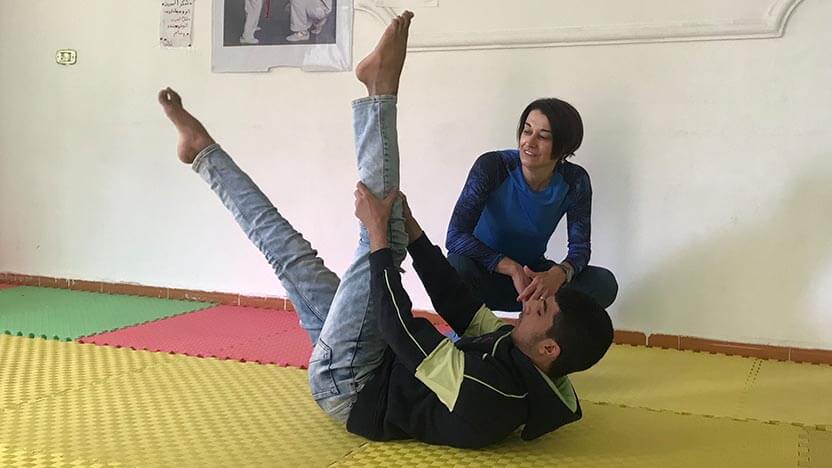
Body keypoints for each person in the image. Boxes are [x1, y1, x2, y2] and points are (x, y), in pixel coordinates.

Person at [158, 12, 613, 448]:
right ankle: (203, 154)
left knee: (382, 235)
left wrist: (382, 239)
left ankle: (380, 92)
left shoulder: (491, 394)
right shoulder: (522, 353)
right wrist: (414, 232)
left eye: (538, 310)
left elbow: (400, 329)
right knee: (294, 255)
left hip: (352, 384)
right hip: (373, 355)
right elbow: (459, 302)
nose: (530, 303)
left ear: (549, 348)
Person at [446, 98, 619, 312]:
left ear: (564, 146)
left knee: (603, 283)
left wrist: (559, 273)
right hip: (483, 275)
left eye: (543, 136)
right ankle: (468, 333)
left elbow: (580, 249)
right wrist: (512, 268)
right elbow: (455, 237)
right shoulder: (493, 166)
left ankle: (543, 332)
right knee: (456, 265)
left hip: (533, 279)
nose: (529, 142)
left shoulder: (576, 181)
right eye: (527, 131)